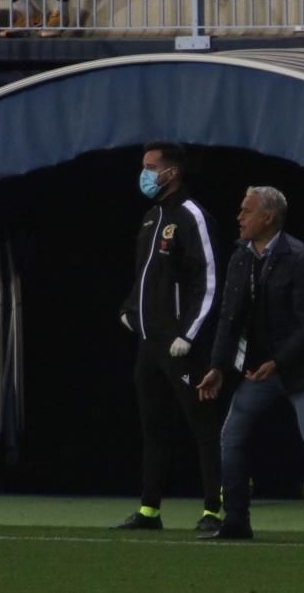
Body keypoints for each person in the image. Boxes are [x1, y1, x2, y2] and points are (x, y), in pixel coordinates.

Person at [196, 186, 304, 542]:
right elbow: (229, 317)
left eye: (246, 211)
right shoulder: (240, 257)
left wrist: (279, 362)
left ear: (268, 217)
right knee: (230, 438)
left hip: (303, 371)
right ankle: (236, 521)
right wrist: (218, 366)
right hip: (259, 371)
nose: (239, 217)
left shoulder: (302, 258)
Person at [115, 142, 223, 533]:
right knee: (153, 427)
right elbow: (145, 277)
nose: (143, 174)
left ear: (171, 172)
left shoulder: (193, 216)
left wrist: (189, 335)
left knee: (203, 427)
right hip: (150, 344)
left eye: (150, 167)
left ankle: (215, 510)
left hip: (182, 346)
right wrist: (129, 310)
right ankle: (149, 511)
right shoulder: (150, 217)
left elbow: (208, 282)